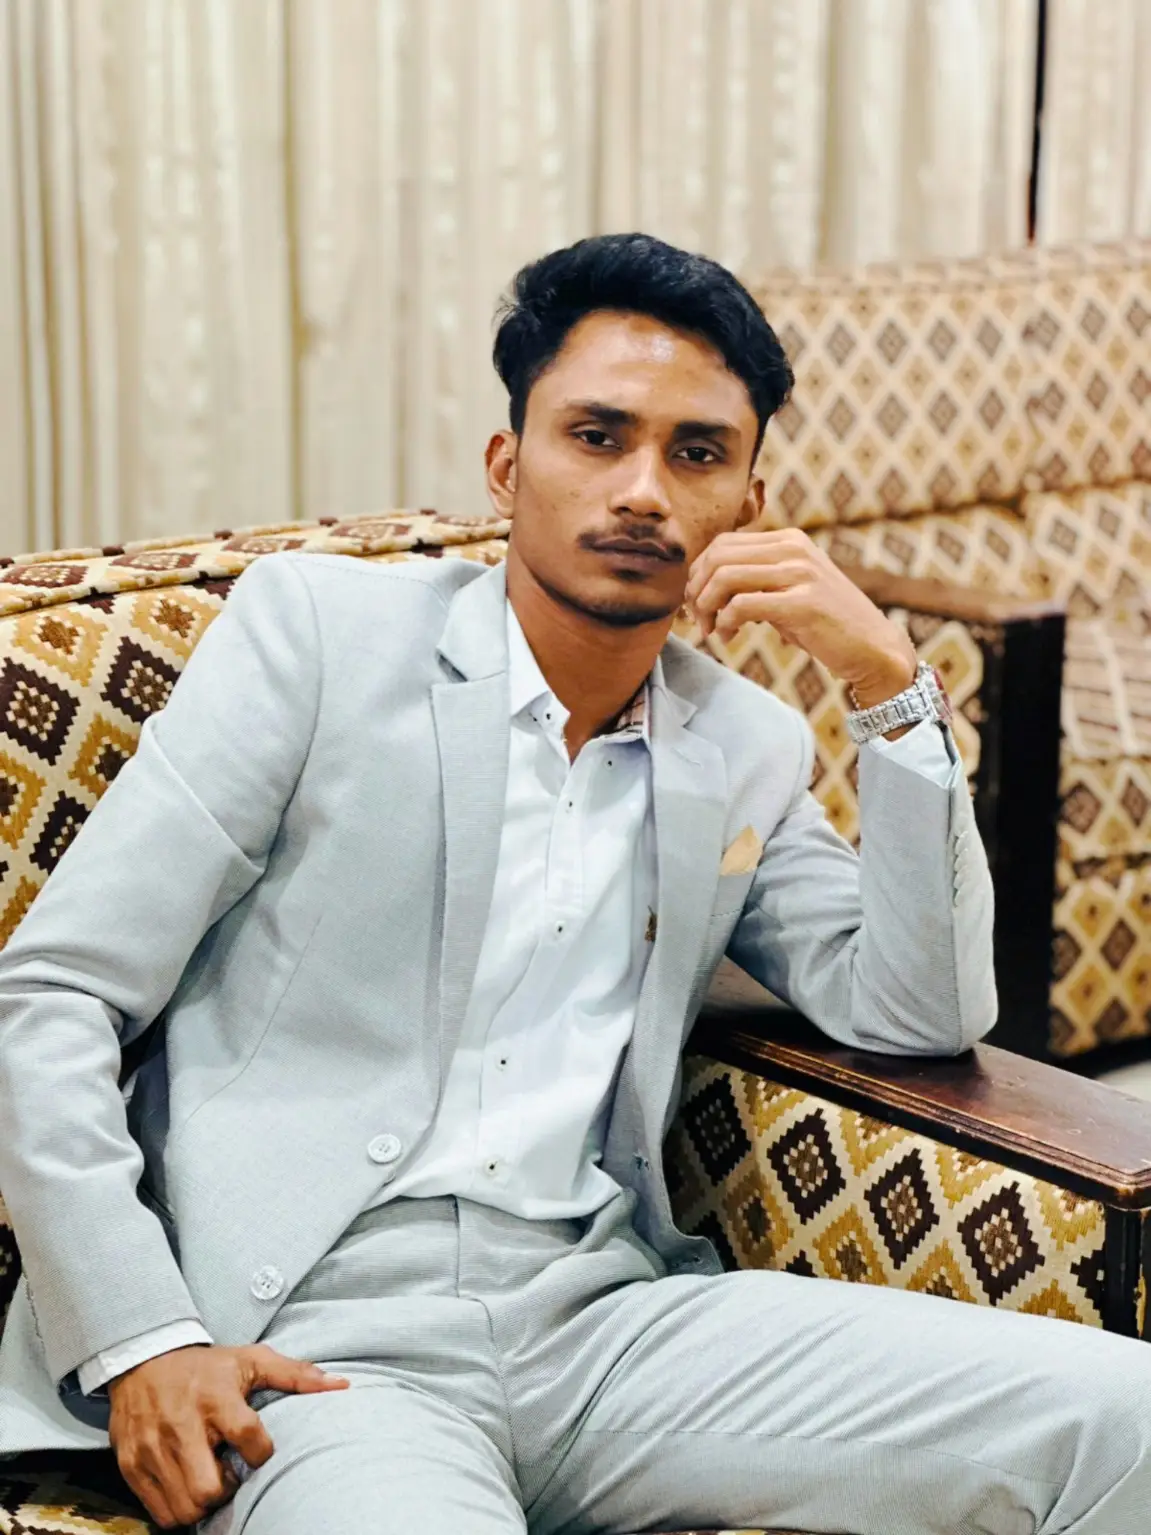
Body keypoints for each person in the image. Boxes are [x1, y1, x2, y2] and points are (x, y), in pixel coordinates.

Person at [0, 233, 1147, 1535]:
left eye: (697, 454)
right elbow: (52, 992)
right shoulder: (317, 637)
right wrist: (146, 1339)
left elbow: (920, 1012)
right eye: (597, 437)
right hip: (316, 1344)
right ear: (508, 465)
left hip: (610, 1324)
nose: (643, 491)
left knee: (1132, 1424)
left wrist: (889, 685)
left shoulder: (744, 746)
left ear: (749, 505)